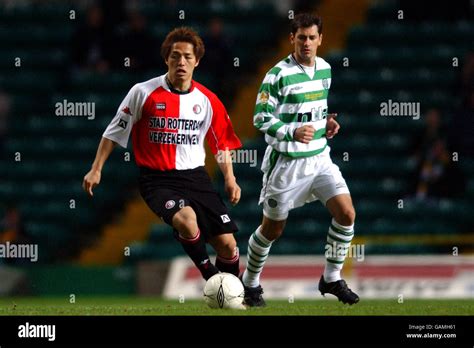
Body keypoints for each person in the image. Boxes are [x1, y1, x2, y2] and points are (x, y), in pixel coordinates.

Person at [82, 27, 243, 281]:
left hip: (196, 178)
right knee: (187, 221)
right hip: (158, 180)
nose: (181, 62)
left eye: (188, 57)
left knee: (228, 245)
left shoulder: (209, 101)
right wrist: (96, 168)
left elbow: (221, 144)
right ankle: (212, 278)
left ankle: (236, 293)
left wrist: (230, 179)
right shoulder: (142, 92)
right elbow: (114, 131)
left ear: (197, 61)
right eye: (175, 55)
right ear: (166, 58)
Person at [241, 13, 359, 306]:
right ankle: (250, 284)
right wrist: (292, 131)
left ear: (321, 39)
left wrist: (327, 124)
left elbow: (315, 111)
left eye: (312, 37)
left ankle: (331, 278)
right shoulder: (277, 75)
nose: (307, 43)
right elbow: (259, 118)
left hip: (320, 159)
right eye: (301, 37)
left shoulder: (325, 69)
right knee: (272, 230)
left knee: (346, 214)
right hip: (286, 163)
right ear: (292, 38)